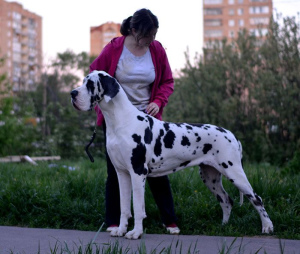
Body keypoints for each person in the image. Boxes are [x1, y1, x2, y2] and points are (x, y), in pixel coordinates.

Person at [90, 8, 180, 235]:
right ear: (133, 30)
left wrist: (159, 101)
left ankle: (169, 220)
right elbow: (94, 74)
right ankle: (114, 221)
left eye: (154, 35)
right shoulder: (113, 49)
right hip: (117, 122)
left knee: (157, 172)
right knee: (116, 171)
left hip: (148, 120)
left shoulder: (156, 50)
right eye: (147, 35)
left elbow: (167, 81)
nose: (151, 40)